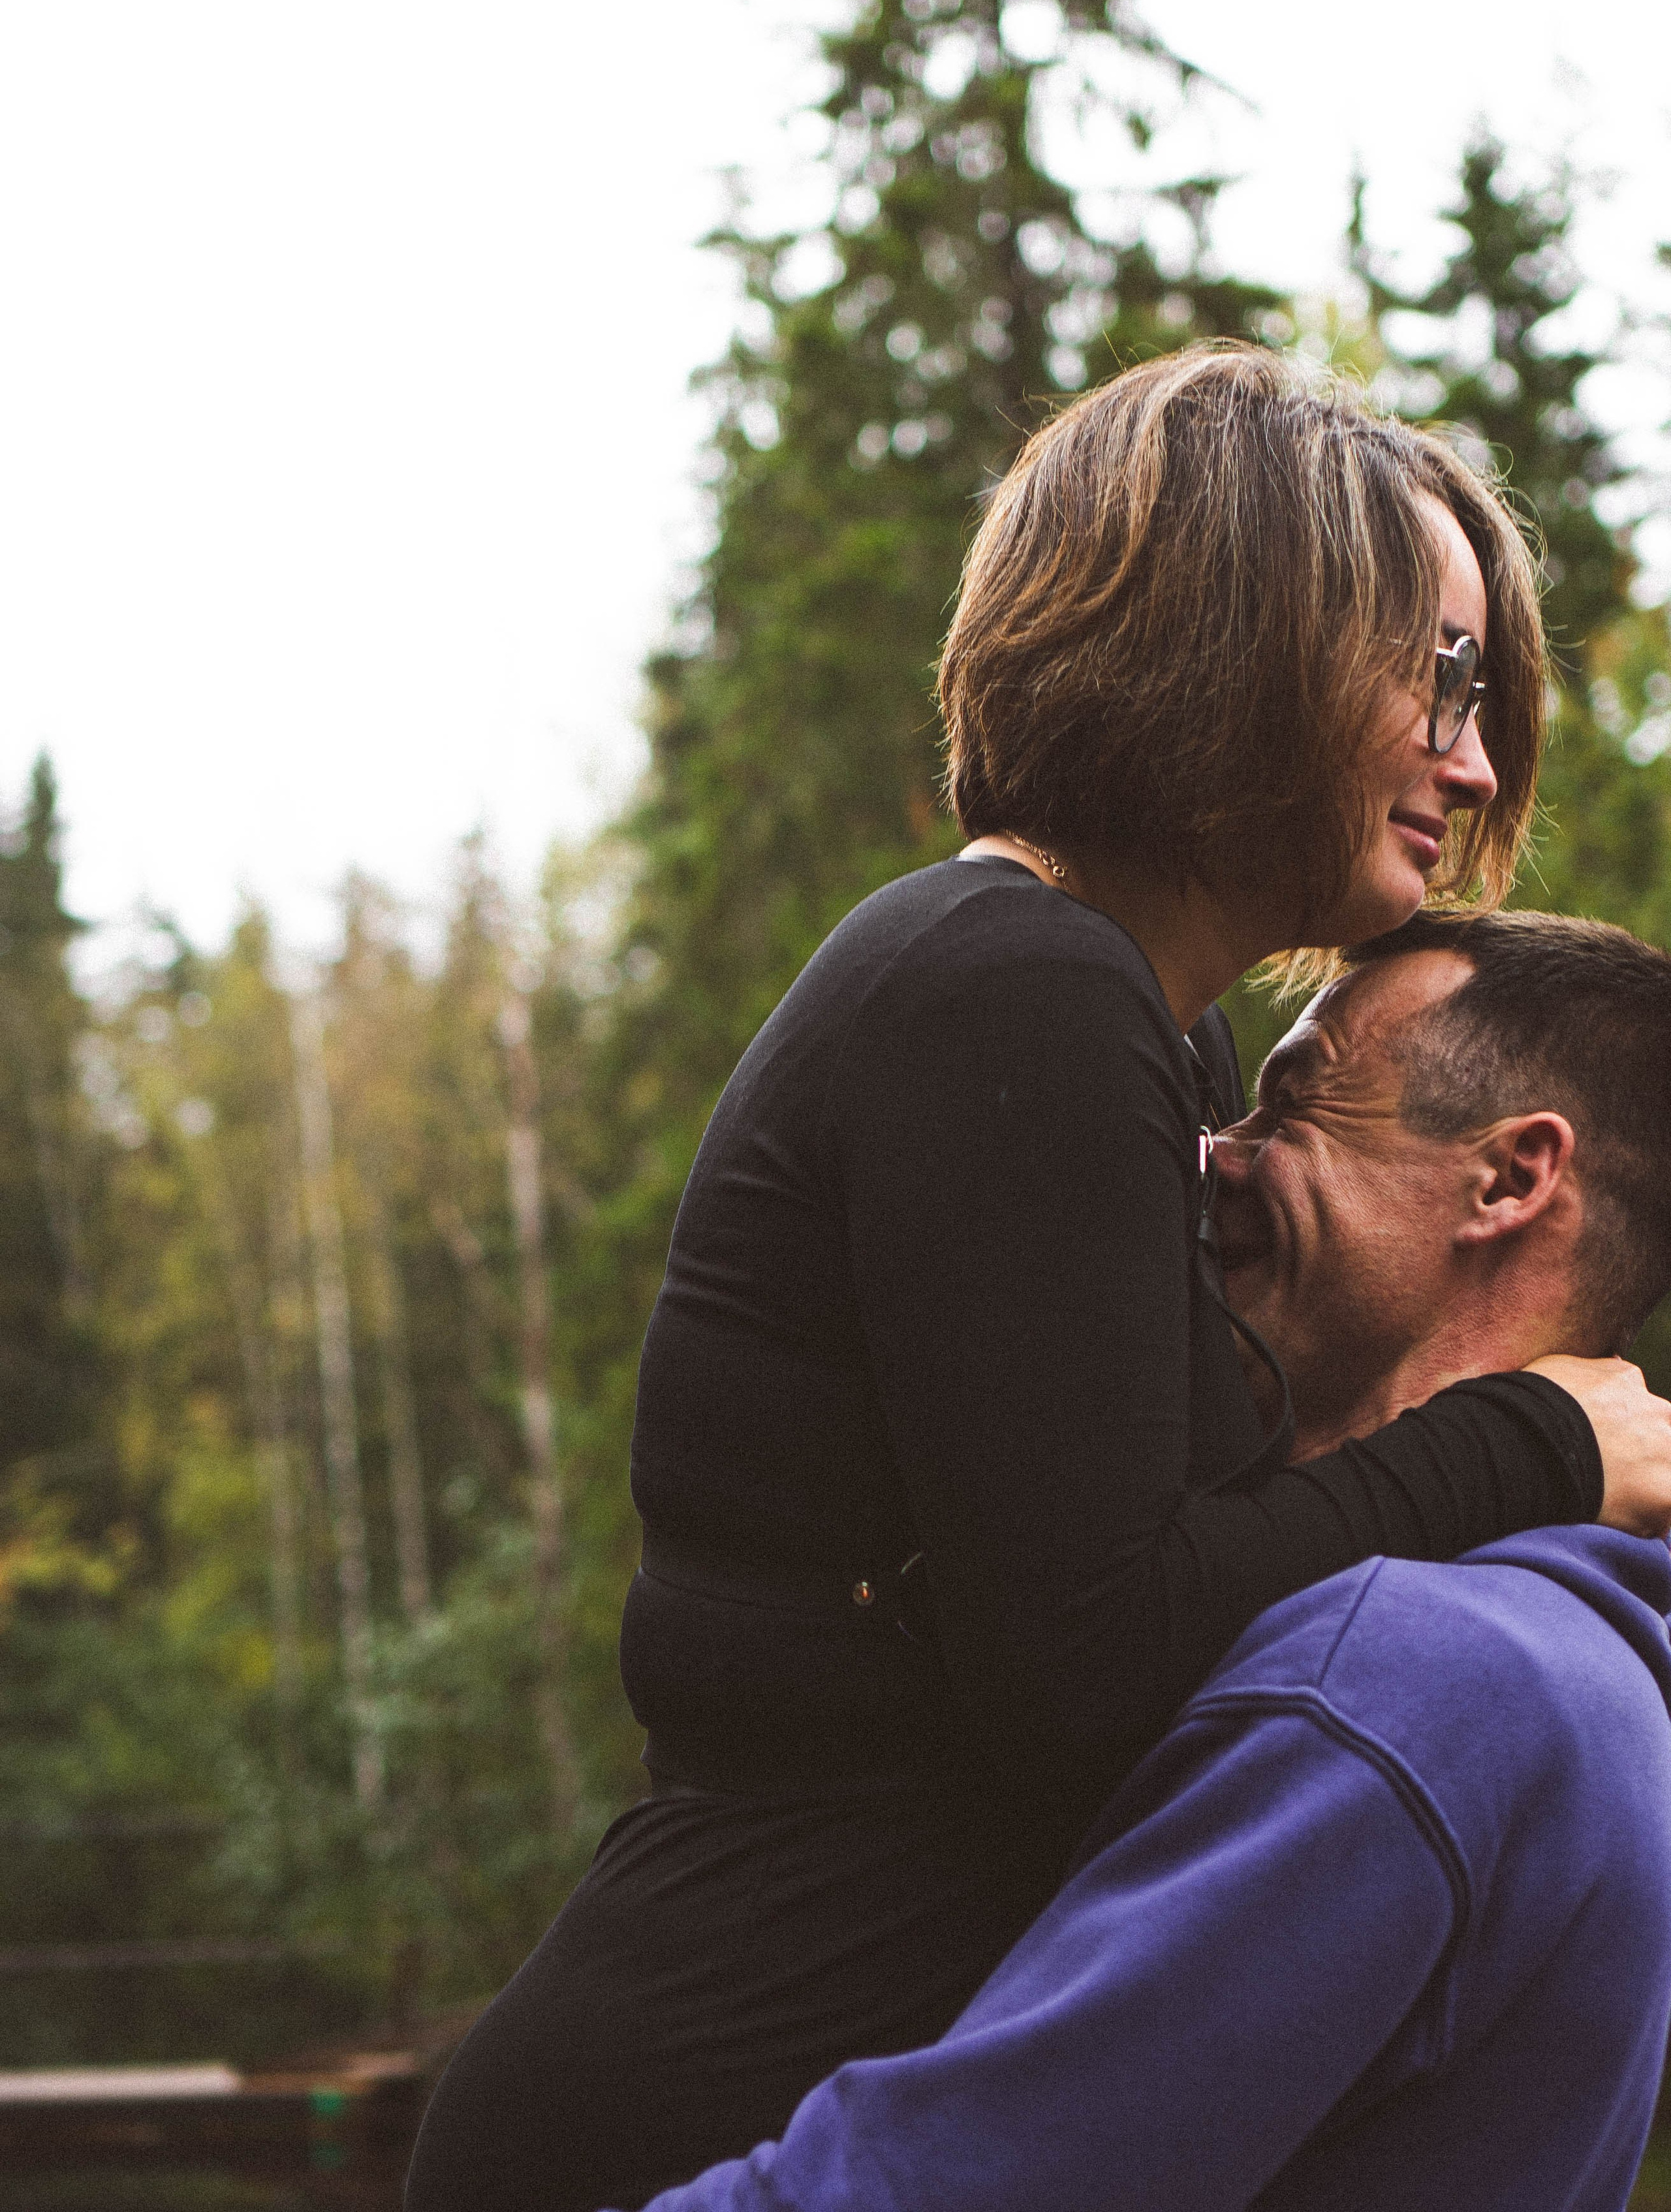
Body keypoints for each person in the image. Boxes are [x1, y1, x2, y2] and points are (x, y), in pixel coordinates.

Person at [405, 349, 1671, 2212]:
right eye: (1440, 673)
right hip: (689, 2126)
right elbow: (1089, 1667)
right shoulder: (1017, 988)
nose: (1473, 761)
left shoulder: (1134, 1030)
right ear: (1250, 631)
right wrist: (1529, 1446)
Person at [604, 909, 1671, 2212]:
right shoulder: (1584, 1654)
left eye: (1296, 1103)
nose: (1214, 1156)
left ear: (1507, 1180)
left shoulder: (1403, 1685)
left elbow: (935, 2190)